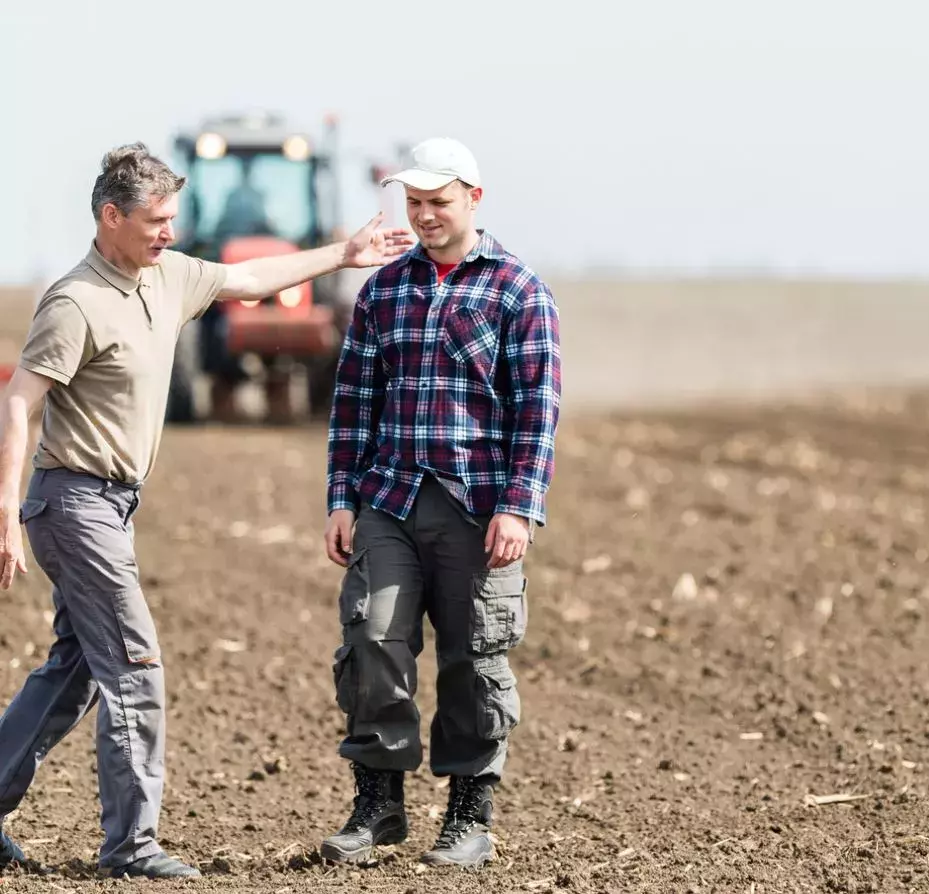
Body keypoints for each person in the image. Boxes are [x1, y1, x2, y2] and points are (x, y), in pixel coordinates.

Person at [0, 142, 414, 880]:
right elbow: (18, 404)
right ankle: (131, 847)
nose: (168, 232)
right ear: (110, 217)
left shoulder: (171, 277)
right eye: (156, 220)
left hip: (111, 505)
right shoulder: (75, 301)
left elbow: (251, 276)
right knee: (135, 669)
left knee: (78, 668)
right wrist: (5, 510)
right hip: (73, 502)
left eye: (173, 219)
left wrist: (344, 254)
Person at [320, 137, 561, 869]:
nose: (423, 216)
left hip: (478, 507)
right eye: (414, 203)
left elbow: (537, 410)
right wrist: (341, 497)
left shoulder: (518, 290)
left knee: (474, 660)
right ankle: (378, 806)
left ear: (473, 200)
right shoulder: (384, 291)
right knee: (371, 642)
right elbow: (354, 403)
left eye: (437, 203)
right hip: (390, 499)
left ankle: (468, 816)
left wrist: (518, 506)